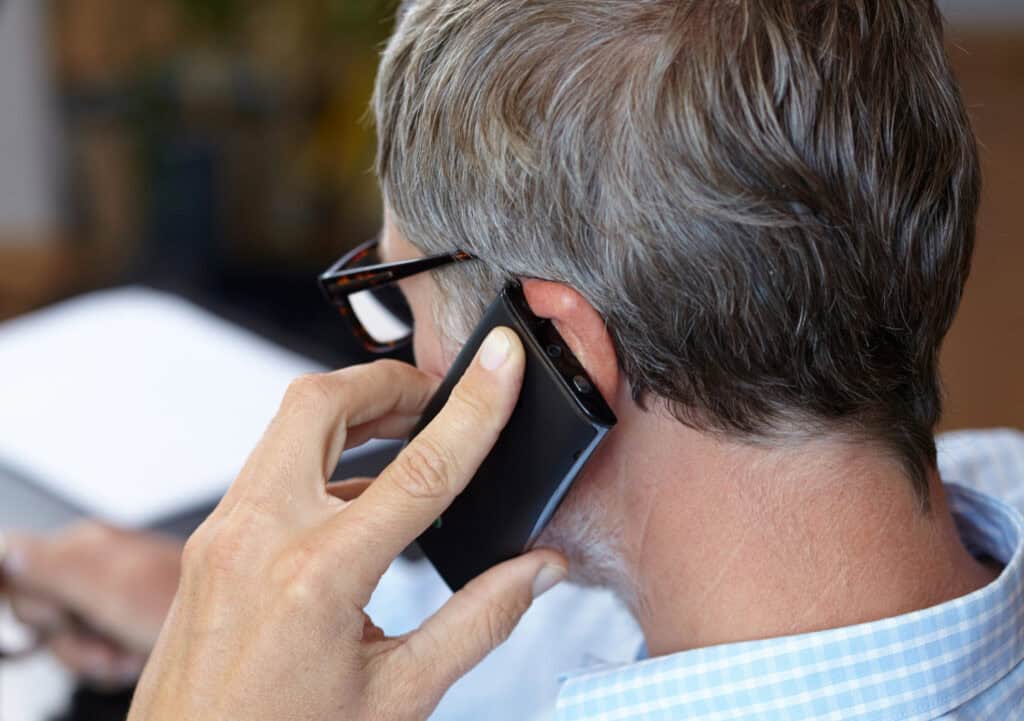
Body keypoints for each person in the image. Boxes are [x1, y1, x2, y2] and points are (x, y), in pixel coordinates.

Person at [4, 1, 1024, 719]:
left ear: (556, 352)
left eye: (403, 300)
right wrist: (200, 616)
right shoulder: (993, 480)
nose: (409, 352)